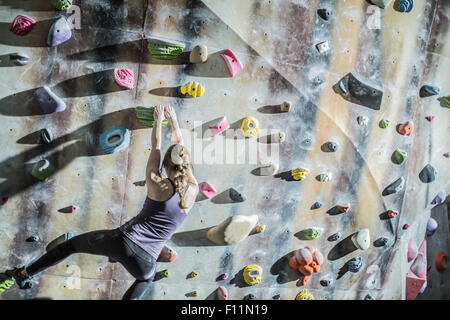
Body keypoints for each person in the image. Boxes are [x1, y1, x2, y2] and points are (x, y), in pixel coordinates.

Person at [1, 105, 199, 300]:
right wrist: (174, 123)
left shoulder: (156, 181)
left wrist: (160, 121)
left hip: (123, 241)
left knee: (70, 246)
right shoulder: (194, 188)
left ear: (165, 165)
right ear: (187, 167)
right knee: (145, 279)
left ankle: (23, 274)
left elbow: (156, 146)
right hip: (146, 260)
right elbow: (181, 151)